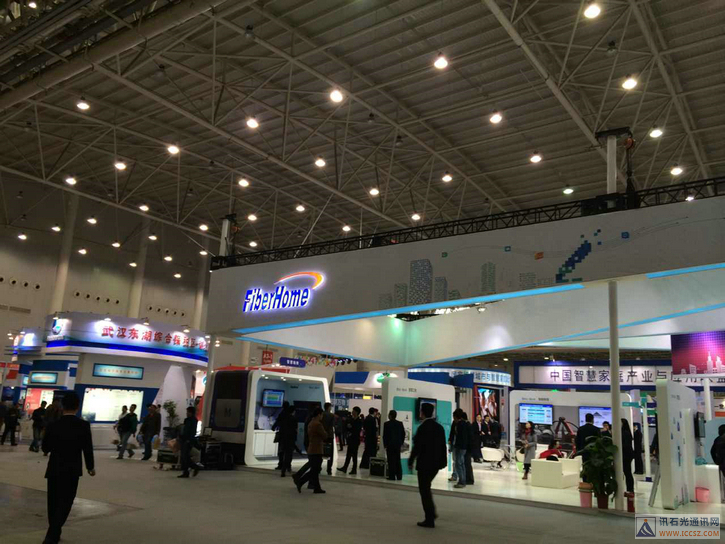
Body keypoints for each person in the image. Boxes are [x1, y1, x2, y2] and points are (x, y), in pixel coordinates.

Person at [41, 391, 95, 544]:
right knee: (66, 501)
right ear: (78, 406)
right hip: (72, 469)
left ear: (62, 406)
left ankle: (53, 532)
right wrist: (90, 467)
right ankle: (53, 532)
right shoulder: (83, 425)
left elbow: (45, 448)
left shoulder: (54, 425)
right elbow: (87, 448)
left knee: (53, 501)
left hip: (54, 468)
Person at [408, 402, 447, 529]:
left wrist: (411, 460)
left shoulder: (422, 428)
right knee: (426, 488)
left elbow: (417, 447)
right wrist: (443, 462)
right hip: (435, 464)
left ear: (422, 413)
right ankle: (431, 514)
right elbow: (443, 447)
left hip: (424, 464)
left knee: (424, 490)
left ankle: (430, 518)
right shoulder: (439, 427)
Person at [294, 407, 327, 494]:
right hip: (317, 449)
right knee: (316, 469)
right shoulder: (318, 424)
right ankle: (301, 481)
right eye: (322, 415)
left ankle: (317, 488)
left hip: (311, 448)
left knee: (314, 469)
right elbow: (325, 435)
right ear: (319, 415)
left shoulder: (311, 423)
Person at [178, 406, 201, 478]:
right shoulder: (186, 420)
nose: (187, 413)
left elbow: (192, 432)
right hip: (184, 439)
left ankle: (194, 467)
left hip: (188, 441)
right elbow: (184, 430)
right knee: (184, 456)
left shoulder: (194, 420)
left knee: (185, 456)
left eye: (188, 412)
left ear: (191, 412)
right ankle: (187, 471)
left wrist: (189, 440)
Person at [338, 406, 362, 474]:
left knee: (354, 455)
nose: (352, 412)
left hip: (355, 440)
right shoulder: (351, 419)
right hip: (351, 439)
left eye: (353, 411)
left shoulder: (359, 421)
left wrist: (351, 427)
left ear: (356, 412)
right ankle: (345, 467)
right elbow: (348, 427)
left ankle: (354, 469)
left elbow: (357, 430)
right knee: (348, 454)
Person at [383, 410, 405, 480]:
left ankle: (392, 476)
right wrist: (401, 442)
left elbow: (385, 435)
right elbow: (403, 434)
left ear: (390, 415)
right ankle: (399, 476)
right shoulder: (400, 423)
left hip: (390, 445)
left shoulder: (386, 424)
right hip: (397, 445)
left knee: (391, 461)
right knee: (398, 460)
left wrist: (385, 444)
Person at [279, 406, 297, 477]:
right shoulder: (294, 419)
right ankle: (287, 468)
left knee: (284, 453)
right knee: (289, 455)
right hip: (291, 439)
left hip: (284, 438)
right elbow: (295, 429)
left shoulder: (284, 418)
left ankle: (283, 468)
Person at [272, 401, 290, 470]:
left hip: (282, 434)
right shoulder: (290, 414)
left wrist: (273, 427)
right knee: (287, 451)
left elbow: (277, 422)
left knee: (281, 451)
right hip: (289, 435)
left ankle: (281, 464)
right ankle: (287, 465)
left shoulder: (282, 414)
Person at [621, 418, 635, 494]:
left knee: (627, 472)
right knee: (627, 472)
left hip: (625, 455)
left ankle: (630, 489)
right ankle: (630, 489)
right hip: (628, 455)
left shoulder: (624, 433)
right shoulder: (627, 432)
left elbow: (625, 445)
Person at [321, 402, 336, 475]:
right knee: (330, 453)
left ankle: (319, 467)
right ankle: (329, 469)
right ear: (329, 407)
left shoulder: (321, 414)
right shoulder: (331, 415)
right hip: (329, 436)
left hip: (322, 435)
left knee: (321, 451)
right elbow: (332, 425)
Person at [463, 412, 475, 485]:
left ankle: (469, 479)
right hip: (468, 447)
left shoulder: (467, 425)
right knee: (467, 464)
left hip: (468, 448)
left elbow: (470, 438)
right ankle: (468, 479)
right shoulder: (469, 425)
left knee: (467, 463)